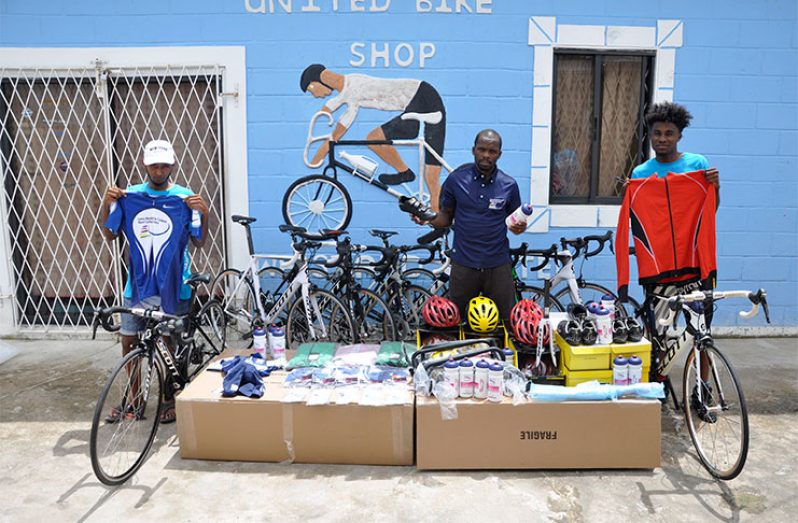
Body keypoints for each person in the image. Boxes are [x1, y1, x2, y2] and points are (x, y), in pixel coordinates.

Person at [99, 139, 210, 424]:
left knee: (169, 344)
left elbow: (199, 241)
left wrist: (204, 213)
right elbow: (111, 235)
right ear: (145, 165)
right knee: (129, 341)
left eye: (164, 165)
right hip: (137, 285)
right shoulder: (129, 196)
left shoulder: (185, 198)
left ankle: (168, 398)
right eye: (154, 165)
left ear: (172, 164)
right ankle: (135, 400)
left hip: (175, 284)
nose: (159, 170)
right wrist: (107, 204)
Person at [628, 102, 720, 415]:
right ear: (650, 136)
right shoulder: (641, 173)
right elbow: (640, 220)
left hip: (696, 264)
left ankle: (702, 393)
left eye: (669, 133)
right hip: (660, 270)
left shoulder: (698, 166)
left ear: (679, 136)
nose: (662, 138)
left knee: (702, 333)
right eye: (657, 133)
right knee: (660, 336)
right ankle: (659, 386)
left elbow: (710, 212)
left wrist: (714, 188)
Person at [408, 129, 526, 320]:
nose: (486, 155)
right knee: (457, 322)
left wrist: (519, 228)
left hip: (497, 265)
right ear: (473, 150)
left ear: (499, 154)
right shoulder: (456, 180)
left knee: (505, 323)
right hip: (463, 265)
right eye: (482, 149)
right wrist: (427, 218)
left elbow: (516, 223)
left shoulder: (509, 185)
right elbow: (445, 218)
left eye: (492, 151)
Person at [300, 64, 447, 211]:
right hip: (422, 98)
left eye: (311, 90)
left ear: (316, 82)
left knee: (375, 138)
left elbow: (333, 128)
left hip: (422, 97)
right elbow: (331, 115)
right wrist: (316, 157)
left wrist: (315, 159)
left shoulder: (351, 88)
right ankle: (438, 222)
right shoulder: (349, 88)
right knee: (431, 177)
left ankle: (405, 173)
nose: (314, 95)